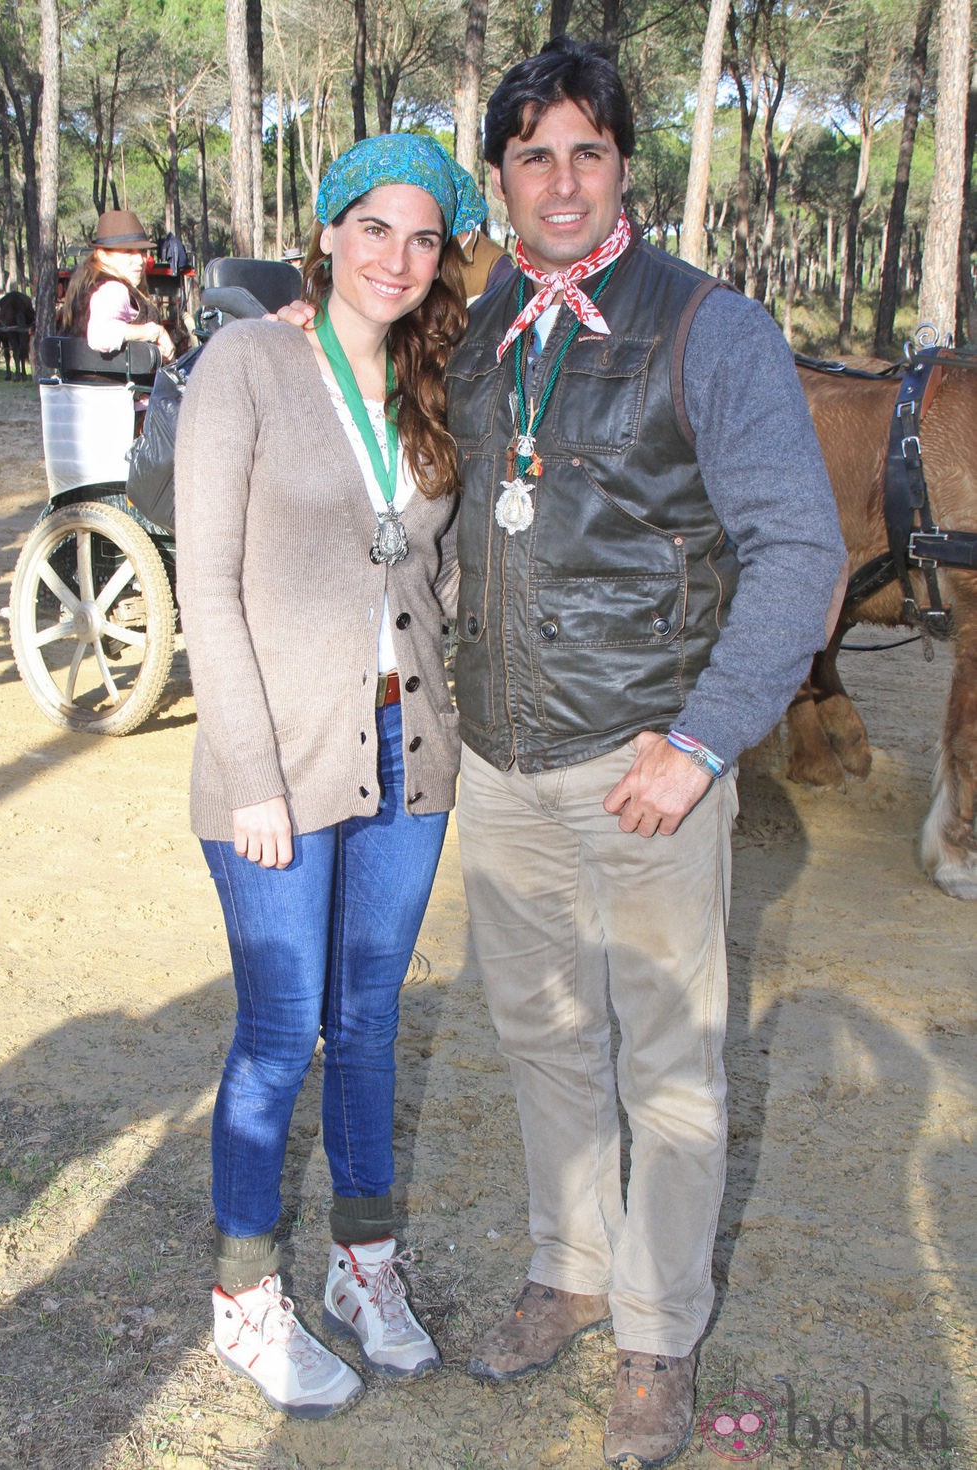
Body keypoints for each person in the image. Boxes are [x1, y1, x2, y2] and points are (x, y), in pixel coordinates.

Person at [443, 38, 848, 1469]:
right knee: (545, 1043)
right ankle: (569, 1266)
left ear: (625, 168)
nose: (561, 179)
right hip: (503, 768)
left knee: (671, 1064)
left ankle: (659, 1334)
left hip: (644, 768)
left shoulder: (708, 328)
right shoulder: (487, 326)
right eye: (533, 154)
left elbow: (804, 549)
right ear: (502, 175)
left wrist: (698, 738)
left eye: (587, 152)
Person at [174, 135, 486, 1421]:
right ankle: (245, 1297)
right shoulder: (245, 363)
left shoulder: (434, 379)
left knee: (368, 1025)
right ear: (327, 231)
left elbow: (437, 572)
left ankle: (364, 1271)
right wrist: (250, 773)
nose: (397, 260)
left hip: (409, 760)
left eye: (423, 238)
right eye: (374, 229)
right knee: (277, 1030)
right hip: (279, 771)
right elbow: (205, 580)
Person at [62, 209, 175, 362]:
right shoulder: (113, 289)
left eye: (142, 251)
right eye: (128, 252)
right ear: (102, 255)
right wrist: (155, 332)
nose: (140, 260)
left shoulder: (85, 287)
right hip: (118, 385)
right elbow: (99, 335)